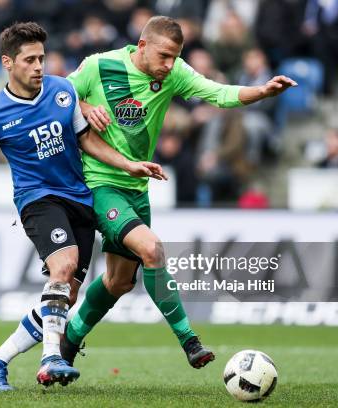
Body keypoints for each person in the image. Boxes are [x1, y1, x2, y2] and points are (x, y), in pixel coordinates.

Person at [0, 22, 165, 390]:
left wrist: (127, 164)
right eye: (29, 60)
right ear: (8, 62)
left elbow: (86, 140)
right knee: (64, 264)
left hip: (79, 199)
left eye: (41, 58)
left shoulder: (63, 91)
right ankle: (51, 357)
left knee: (65, 295)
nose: (39, 66)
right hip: (37, 199)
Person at [58, 16, 296, 369]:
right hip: (100, 184)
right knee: (153, 250)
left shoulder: (174, 73)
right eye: (165, 56)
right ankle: (190, 341)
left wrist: (261, 91)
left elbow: (219, 92)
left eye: (175, 57)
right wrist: (83, 107)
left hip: (137, 187)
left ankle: (69, 340)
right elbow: (56, 97)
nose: (170, 66)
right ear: (142, 46)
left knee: (118, 282)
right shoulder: (99, 66)